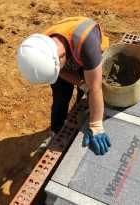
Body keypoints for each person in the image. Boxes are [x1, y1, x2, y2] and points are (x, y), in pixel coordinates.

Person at [17, 17, 111, 155]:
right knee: (60, 99)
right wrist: (81, 83)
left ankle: (80, 125)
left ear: (61, 57)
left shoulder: (88, 45)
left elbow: (95, 87)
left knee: (85, 98)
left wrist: (96, 125)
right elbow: (59, 71)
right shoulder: (42, 49)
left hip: (85, 58)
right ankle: (56, 131)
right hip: (61, 62)